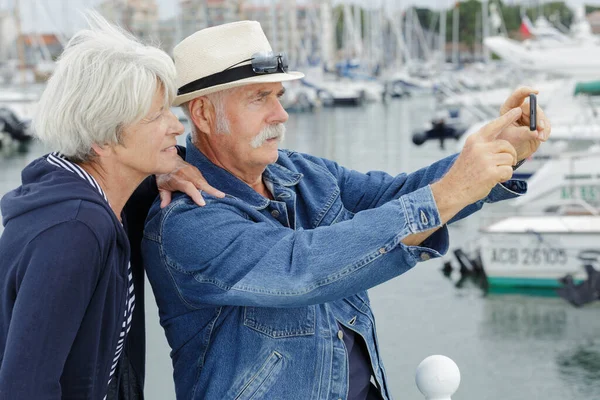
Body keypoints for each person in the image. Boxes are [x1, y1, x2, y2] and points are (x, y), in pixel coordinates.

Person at [142, 21, 551, 400]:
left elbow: (397, 194)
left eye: (279, 96)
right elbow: (302, 267)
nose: (280, 114)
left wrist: (501, 153)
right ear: (203, 114)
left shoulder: (303, 172)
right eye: (259, 98)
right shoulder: (185, 222)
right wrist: (450, 190)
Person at [0, 13, 221, 399]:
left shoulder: (94, 201)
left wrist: (163, 172)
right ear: (103, 136)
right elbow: (26, 386)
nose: (175, 125)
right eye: (156, 115)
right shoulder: (75, 230)